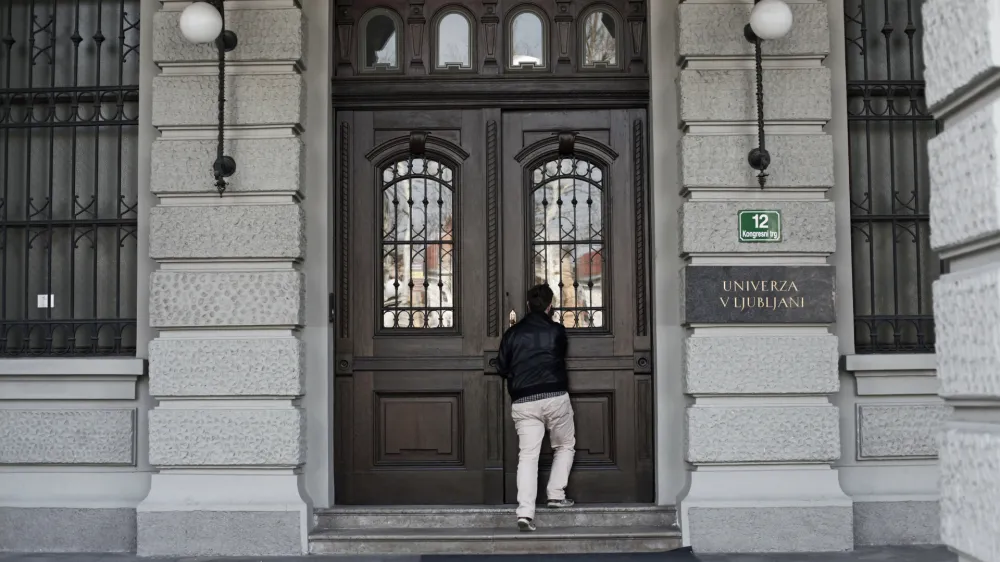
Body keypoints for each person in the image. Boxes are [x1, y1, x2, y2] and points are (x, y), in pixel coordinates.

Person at [496, 284, 576, 532]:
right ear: (550, 306)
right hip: (555, 396)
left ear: (528, 305)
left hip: (524, 400)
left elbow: (501, 366)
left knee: (527, 457)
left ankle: (525, 513)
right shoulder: (557, 331)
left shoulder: (512, 334)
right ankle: (555, 494)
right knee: (564, 445)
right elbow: (560, 355)